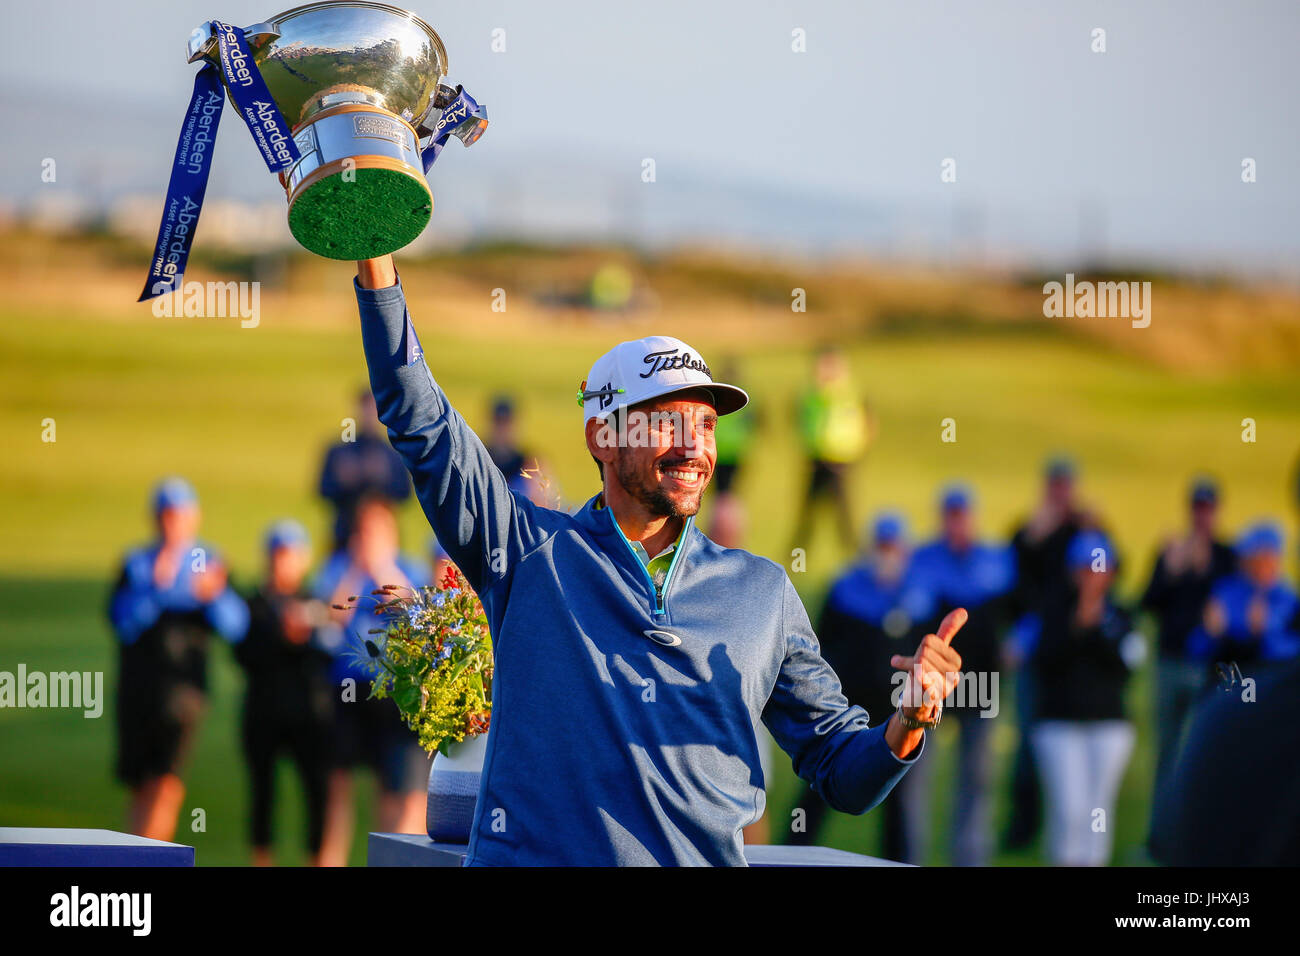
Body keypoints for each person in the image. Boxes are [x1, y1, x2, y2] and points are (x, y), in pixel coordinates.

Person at [351, 253, 967, 866]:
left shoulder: (762, 591)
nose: (694, 445)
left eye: (705, 424)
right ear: (603, 436)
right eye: (665, 422)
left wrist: (906, 720)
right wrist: (377, 262)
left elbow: (841, 770)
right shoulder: (527, 550)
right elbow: (422, 425)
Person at [788, 512, 936, 862]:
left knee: (903, 798)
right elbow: (817, 646)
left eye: (893, 547)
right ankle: (792, 854)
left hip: (902, 712)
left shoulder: (922, 594)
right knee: (819, 787)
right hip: (847, 711)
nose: (887, 553)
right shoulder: (846, 589)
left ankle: (901, 863)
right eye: (881, 546)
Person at [107, 478, 249, 841]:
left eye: (181, 516)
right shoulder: (137, 563)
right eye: (167, 516)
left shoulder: (209, 563)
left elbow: (237, 626)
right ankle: (134, 852)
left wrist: (214, 597)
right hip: (138, 690)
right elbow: (122, 622)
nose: (173, 525)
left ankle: (153, 855)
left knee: (167, 781)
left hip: (184, 694)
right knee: (141, 782)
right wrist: (155, 588)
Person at [313, 494, 432, 866]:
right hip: (347, 693)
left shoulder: (407, 570)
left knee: (391, 788)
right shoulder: (338, 569)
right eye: (365, 532)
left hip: (394, 697)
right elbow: (330, 615)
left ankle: (382, 859)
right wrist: (355, 570)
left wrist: (381, 570)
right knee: (338, 787)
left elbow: (419, 616)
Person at [910, 484, 1016, 866]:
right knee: (914, 775)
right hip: (930, 681)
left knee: (978, 777)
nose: (957, 523)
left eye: (962, 515)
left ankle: (970, 859)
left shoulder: (997, 561)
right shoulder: (922, 560)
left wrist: (1019, 641)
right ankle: (911, 858)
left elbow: (1021, 608)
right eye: (950, 515)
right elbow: (909, 612)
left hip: (981, 678)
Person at [1027, 531, 1143, 866]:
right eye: (1085, 569)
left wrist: (1096, 628)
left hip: (1108, 726)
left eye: (1098, 569)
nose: (1091, 577)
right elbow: (1044, 661)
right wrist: (1078, 625)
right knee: (1069, 808)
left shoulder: (1120, 615)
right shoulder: (1052, 611)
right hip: (1059, 724)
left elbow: (1127, 666)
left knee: (1097, 809)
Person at [1003, 455, 1098, 850]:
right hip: (1034, 646)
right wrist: (1032, 537)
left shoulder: (1086, 531)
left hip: (1073, 654)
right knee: (1028, 740)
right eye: (1054, 485)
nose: (1059, 494)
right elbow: (1012, 584)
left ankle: (1071, 828)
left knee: (1070, 742)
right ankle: (1024, 827)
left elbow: (1108, 572)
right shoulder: (1029, 531)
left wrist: (1093, 528)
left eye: (1065, 485)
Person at [235, 520, 334, 866]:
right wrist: (282, 634)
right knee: (263, 795)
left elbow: (330, 654)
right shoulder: (252, 604)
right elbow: (242, 654)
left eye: (291, 555)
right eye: (278, 555)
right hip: (262, 713)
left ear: (303, 559)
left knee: (317, 794)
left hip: (310, 715)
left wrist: (310, 632)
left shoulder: (318, 603)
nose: (283, 563)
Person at [1140, 477, 1236, 832]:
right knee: (1166, 752)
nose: (1202, 516)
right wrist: (1171, 571)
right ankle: (1160, 834)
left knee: (1205, 748)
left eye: (1208, 509)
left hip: (1210, 668)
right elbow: (1146, 603)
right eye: (1198, 508)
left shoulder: (1228, 556)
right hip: (1169, 663)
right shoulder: (1170, 551)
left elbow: (1233, 612)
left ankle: (1198, 833)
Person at [1188, 521, 1300, 675]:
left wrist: (1264, 635)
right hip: (1228, 684)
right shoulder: (1226, 591)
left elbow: (1292, 653)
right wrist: (1210, 634)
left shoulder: (1287, 597)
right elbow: (1195, 649)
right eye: (1255, 560)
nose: (1262, 567)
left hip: (1270, 683)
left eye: (1268, 559)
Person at [790, 347, 872, 554]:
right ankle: (796, 554)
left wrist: (858, 449)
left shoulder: (848, 392)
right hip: (817, 458)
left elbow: (869, 422)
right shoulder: (811, 394)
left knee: (844, 515)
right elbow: (800, 418)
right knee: (808, 514)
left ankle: (855, 555)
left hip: (841, 460)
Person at [318, 387, 412, 551]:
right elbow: (323, 489)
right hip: (344, 538)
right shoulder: (340, 452)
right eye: (365, 407)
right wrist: (345, 482)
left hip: (383, 540)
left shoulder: (393, 454)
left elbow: (405, 493)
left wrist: (380, 481)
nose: (369, 414)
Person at [706, 358, 760, 550]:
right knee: (726, 497)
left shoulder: (723, 398)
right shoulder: (741, 399)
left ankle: (726, 534)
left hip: (728, 452)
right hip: (727, 452)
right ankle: (726, 534)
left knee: (725, 497)